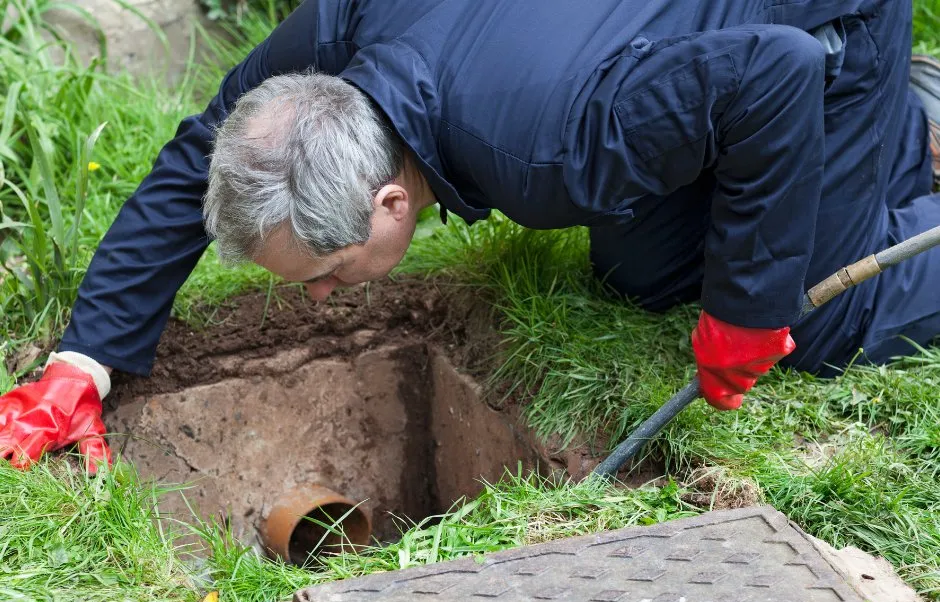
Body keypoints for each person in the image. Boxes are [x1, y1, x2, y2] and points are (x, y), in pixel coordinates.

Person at [2, 0, 939, 472]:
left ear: (389, 205)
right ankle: (905, 138)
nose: (319, 297)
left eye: (327, 273)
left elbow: (772, 71)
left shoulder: (547, 154)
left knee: (814, 320)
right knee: (648, 271)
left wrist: (747, 309)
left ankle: (882, 123)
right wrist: (87, 357)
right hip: (678, 35)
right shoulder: (337, 34)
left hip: (814, 24)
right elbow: (205, 152)